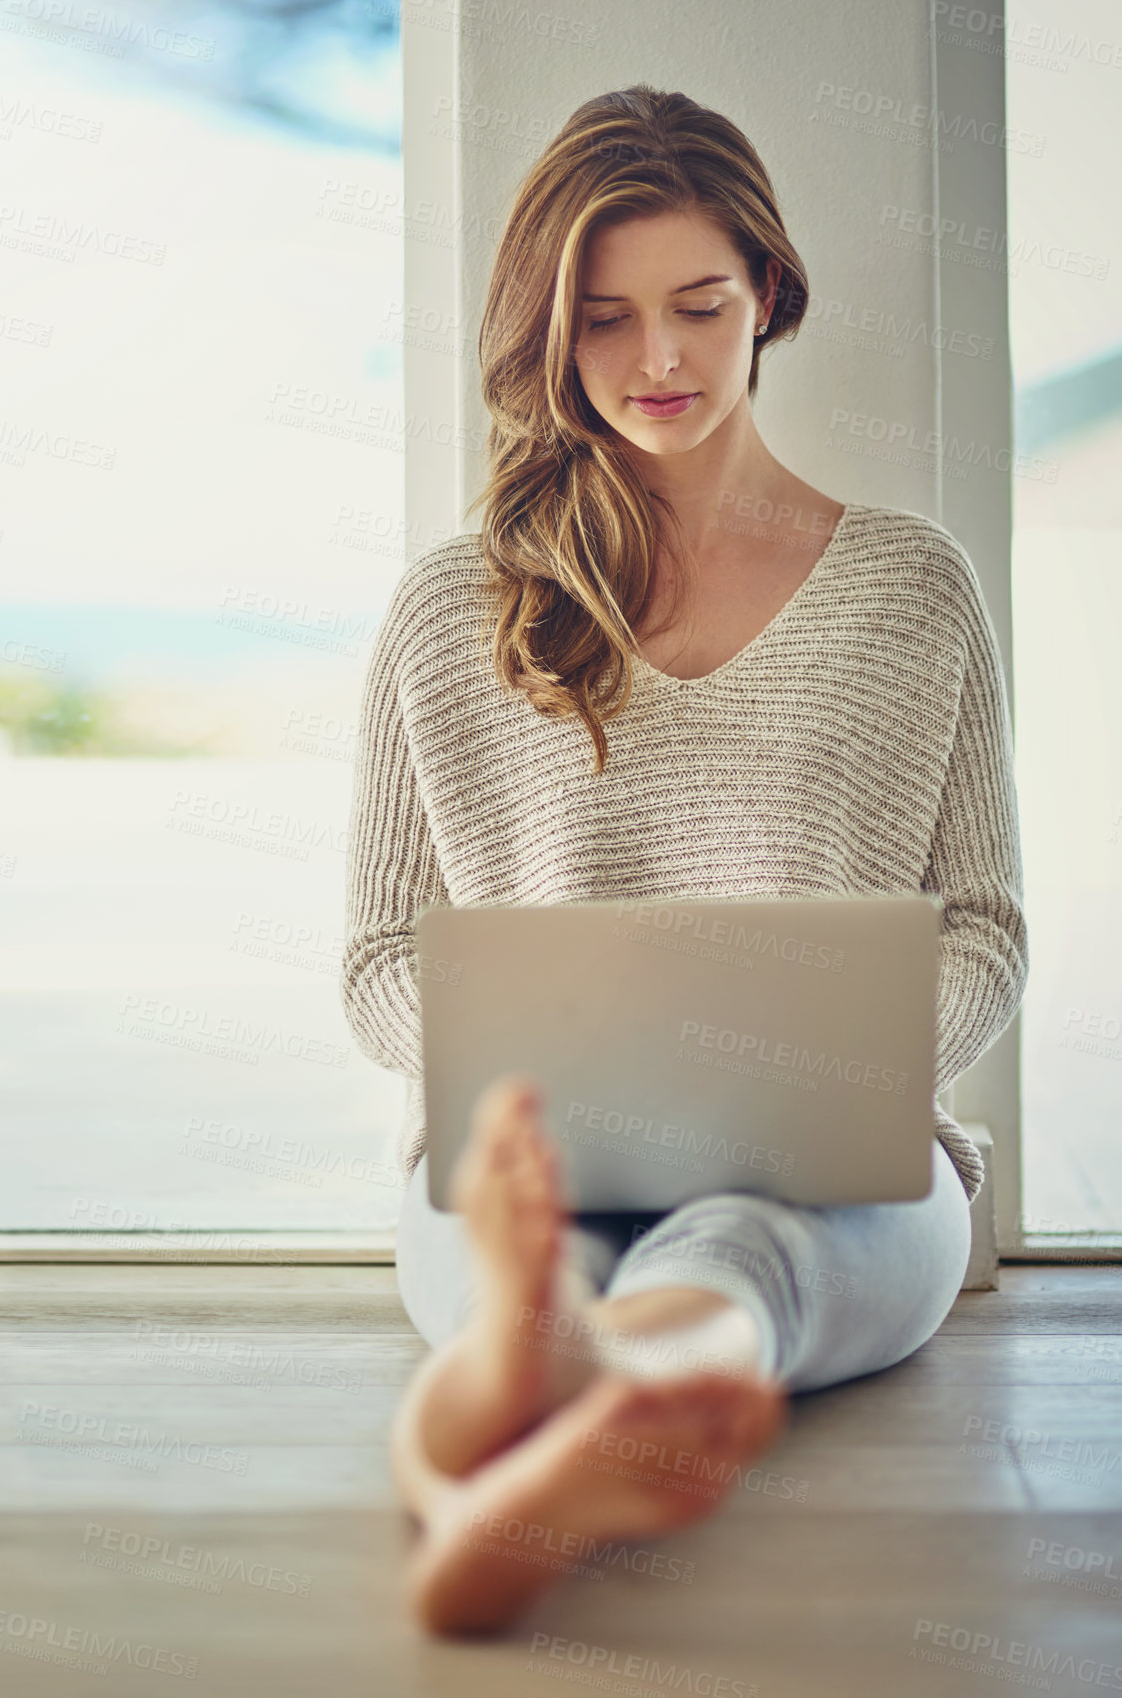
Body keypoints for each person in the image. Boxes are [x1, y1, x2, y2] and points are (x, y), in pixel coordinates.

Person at [341, 84, 1028, 1635]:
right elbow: (381, 954)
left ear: (768, 293)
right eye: (600, 322)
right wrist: (502, 1090)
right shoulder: (452, 610)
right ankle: (584, 1385)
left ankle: (550, 1417)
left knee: (754, 1241)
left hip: (841, 1169)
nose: (657, 362)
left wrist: (856, 1063)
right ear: (544, 333)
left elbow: (987, 925)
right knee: (527, 1256)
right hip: (526, 1171)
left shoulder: (913, 591)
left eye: (699, 307)